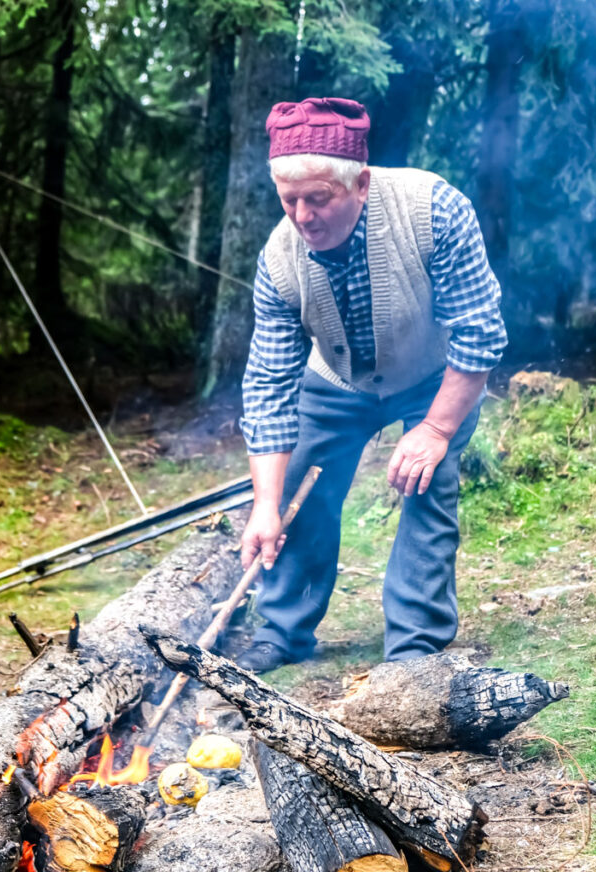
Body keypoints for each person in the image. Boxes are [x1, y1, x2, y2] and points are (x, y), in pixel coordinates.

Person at [237, 96, 507, 674]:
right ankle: (282, 631)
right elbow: (268, 384)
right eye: (290, 201)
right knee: (297, 482)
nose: (303, 216)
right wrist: (264, 504)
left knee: (425, 483)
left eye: (318, 199)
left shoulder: (433, 210)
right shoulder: (279, 259)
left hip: (438, 376)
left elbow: (480, 334)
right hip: (336, 381)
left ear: (360, 183)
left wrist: (435, 429)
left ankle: (413, 650)